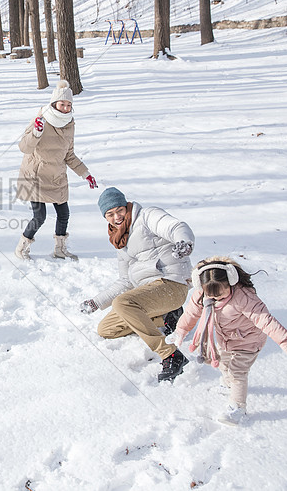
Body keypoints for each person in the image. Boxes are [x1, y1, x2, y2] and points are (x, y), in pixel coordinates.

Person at [170, 257, 287, 426]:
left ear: (231, 281)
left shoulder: (243, 297)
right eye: (211, 295)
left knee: (237, 373)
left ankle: (238, 408)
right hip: (225, 339)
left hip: (248, 341)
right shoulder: (202, 294)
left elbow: (264, 319)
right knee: (223, 364)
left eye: (220, 294)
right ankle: (228, 384)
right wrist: (181, 331)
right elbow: (191, 313)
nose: (215, 299)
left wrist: (285, 341)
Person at [81, 187, 194, 383]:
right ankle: (166, 318)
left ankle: (170, 354)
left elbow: (175, 227)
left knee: (123, 303)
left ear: (126, 206)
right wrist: (96, 302)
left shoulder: (146, 217)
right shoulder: (121, 242)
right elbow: (126, 281)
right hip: (148, 292)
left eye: (119, 210)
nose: (116, 217)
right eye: (110, 214)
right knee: (106, 329)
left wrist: (183, 242)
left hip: (171, 284)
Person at [15, 79, 97, 261]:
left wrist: (86, 174)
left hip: (56, 176)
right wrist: (36, 133)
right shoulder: (41, 119)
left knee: (64, 214)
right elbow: (24, 147)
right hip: (34, 176)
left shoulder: (69, 124)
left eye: (69, 105)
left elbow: (69, 155)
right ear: (54, 103)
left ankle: (60, 250)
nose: (66, 108)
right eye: (62, 104)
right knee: (40, 216)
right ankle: (21, 248)